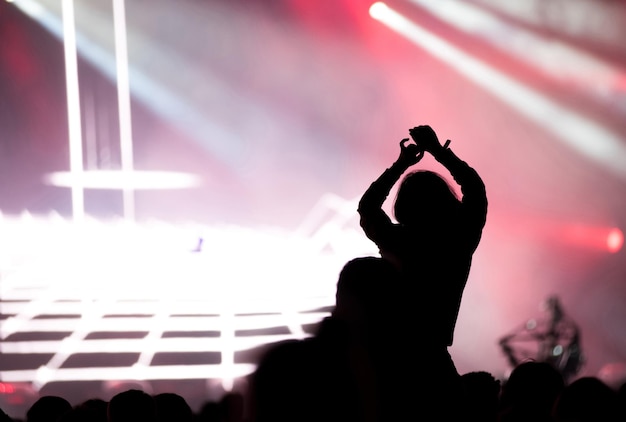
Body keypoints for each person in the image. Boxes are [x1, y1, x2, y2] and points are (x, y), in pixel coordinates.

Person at [357, 124, 488, 411]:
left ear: (404, 205)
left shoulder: (396, 239)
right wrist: (439, 151)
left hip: (386, 357)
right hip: (432, 357)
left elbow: (367, 208)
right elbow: (475, 190)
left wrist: (400, 165)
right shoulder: (459, 239)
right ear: (446, 201)